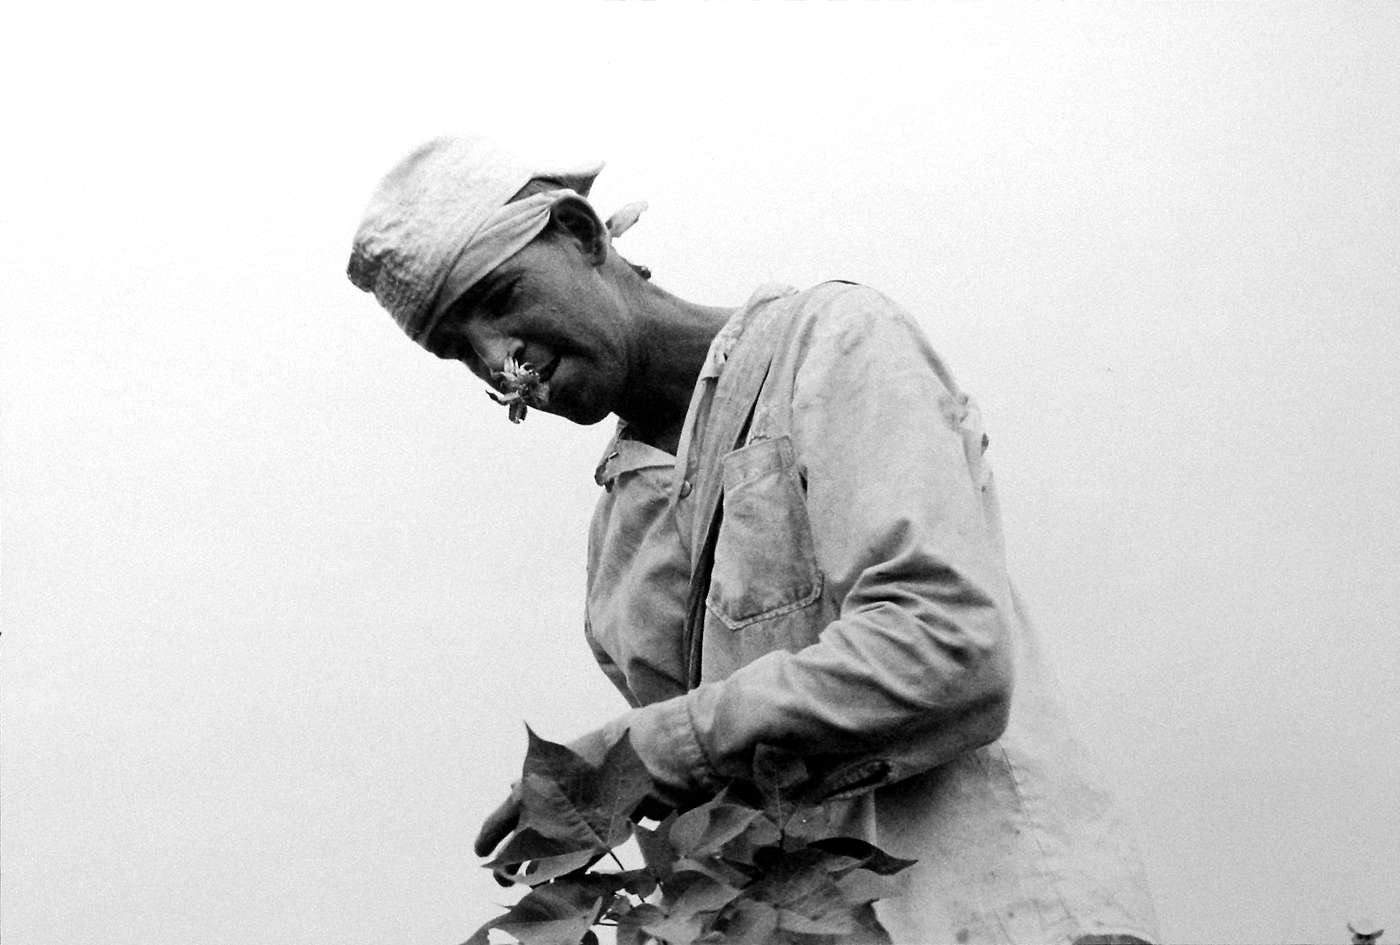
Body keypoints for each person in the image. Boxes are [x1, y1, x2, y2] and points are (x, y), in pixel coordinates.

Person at [347, 135, 1160, 945]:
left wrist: (645, 749)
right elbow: (727, 821)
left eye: (499, 299)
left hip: (996, 916)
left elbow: (949, 648)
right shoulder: (615, 553)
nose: (500, 361)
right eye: (458, 351)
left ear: (582, 234)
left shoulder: (830, 342)